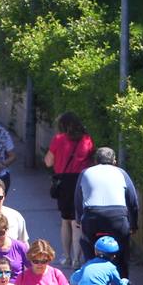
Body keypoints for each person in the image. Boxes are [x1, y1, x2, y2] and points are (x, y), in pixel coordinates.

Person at [74, 146, 139, 279]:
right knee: (121, 260)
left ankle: (91, 269)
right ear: (114, 161)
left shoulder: (85, 173)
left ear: (95, 161)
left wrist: (79, 220)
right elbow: (133, 202)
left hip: (92, 217)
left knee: (88, 246)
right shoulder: (121, 173)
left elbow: (78, 199)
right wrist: (133, 225)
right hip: (117, 218)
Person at [45, 113, 94, 268]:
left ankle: (66, 257)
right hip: (82, 181)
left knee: (66, 221)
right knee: (77, 222)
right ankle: (77, 260)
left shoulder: (59, 139)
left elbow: (48, 162)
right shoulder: (87, 140)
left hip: (64, 182)